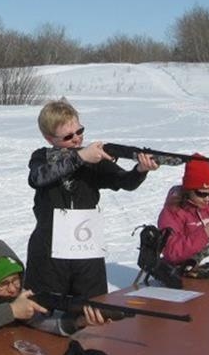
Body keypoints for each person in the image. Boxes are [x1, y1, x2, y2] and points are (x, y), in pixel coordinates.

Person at [24, 99, 160, 299]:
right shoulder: (41, 157)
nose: (77, 140)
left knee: (94, 309)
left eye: (80, 131)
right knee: (41, 310)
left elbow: (125, 182)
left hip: (86, 248)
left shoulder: (94, 159)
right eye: (68, 136)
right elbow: (38, 177)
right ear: (49, 138)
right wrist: (80, 158)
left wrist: (140, 170)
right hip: (48, 249)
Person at [0, 235, 106, 339]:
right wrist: (11, 311)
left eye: (16, 280)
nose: (13, 289)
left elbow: (41, 322)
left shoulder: (16, 296)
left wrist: (77, 321)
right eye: (3, 284)